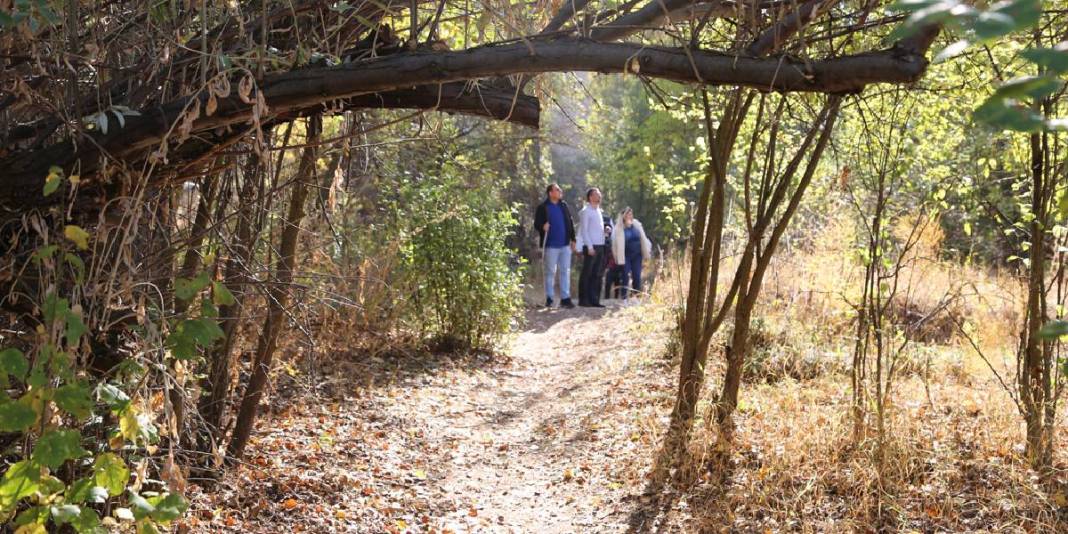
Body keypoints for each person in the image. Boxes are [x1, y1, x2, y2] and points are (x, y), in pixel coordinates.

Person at [533, 183, 576, 308]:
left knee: (565, 271)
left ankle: (565, 298)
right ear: (550, 193)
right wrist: (542, 226)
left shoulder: (564, 206)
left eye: (560, 189)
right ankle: (550, 298)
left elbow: (570, 222)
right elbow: (537, 224)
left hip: (565, 245)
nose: (560, 191)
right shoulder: (543, 207)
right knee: (550, 272)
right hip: (551, 245)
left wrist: (573, 239)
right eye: (557, 190)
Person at [575, 187, 609, 308]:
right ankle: (583, 300)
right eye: (596, 194)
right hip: (590, 246)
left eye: (600, 194)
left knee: (597, 274)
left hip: (600, 245)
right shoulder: (586, 211)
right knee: (587, 273)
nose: (599, 196)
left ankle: (595, 299)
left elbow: (595, 229)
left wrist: (605, 231)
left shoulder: (599, 211)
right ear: (590, 197)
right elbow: (584, 230)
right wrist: (589, 247)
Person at [612, 207, 652, 300]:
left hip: (637, 255)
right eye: (628, 214)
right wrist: (616, 257)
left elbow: (644, 238)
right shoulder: (618, 228)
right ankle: (624, 298)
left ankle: (636, 297)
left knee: (637, 276)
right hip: (625, 255)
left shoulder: (637, 225)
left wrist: (647, 250)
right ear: (623, 216)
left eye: (631, 214)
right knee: (625, 276)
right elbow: (614, 245)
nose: (630, 216)